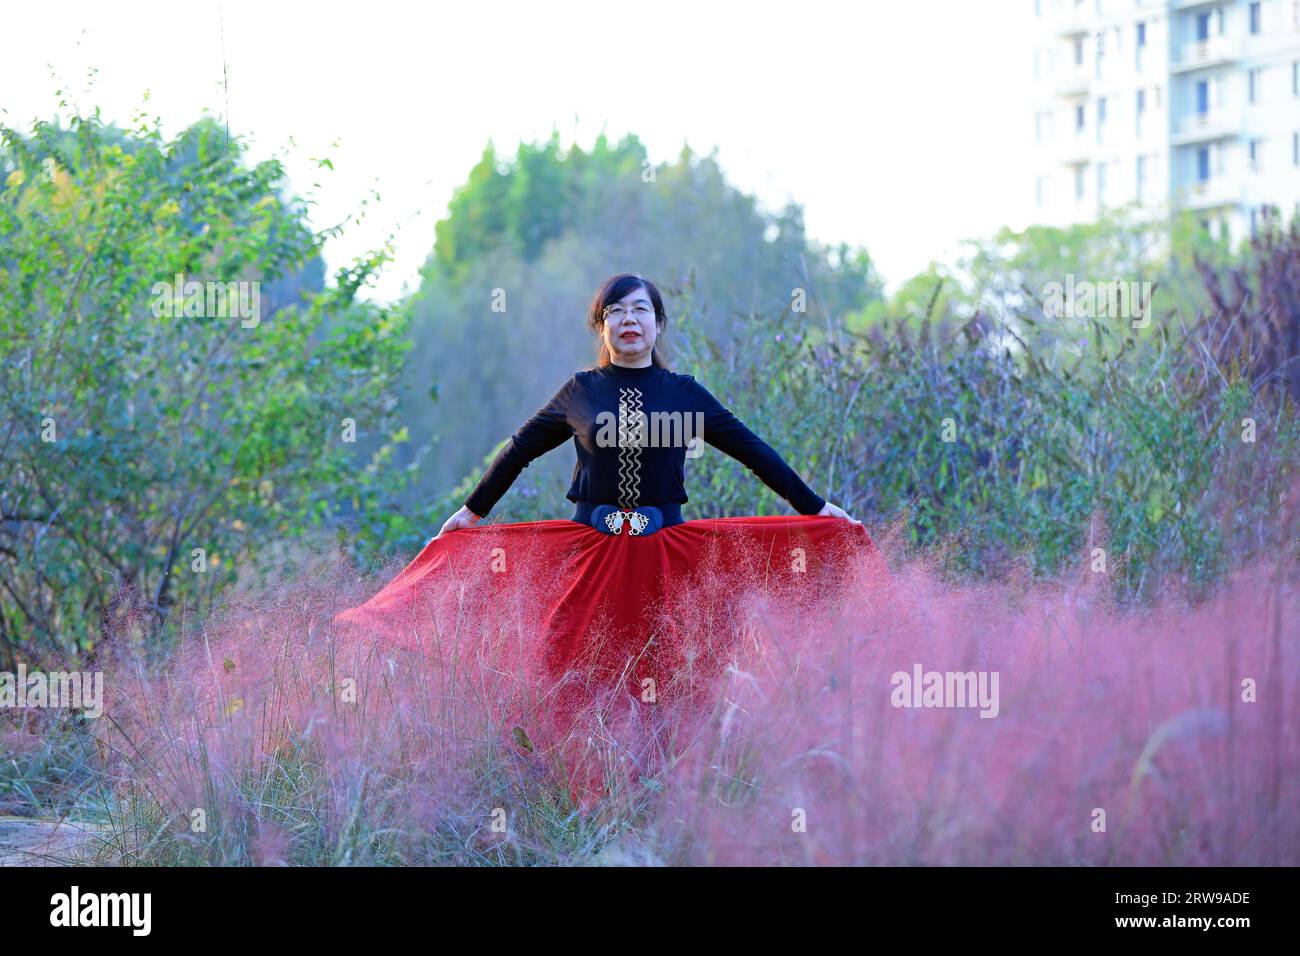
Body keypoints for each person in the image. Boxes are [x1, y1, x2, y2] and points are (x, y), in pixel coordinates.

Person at [336, 272, 883, 810]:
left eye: (641, 310)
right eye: (616, 312)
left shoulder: (684, 394)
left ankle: (665, 795)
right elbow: (519, 449)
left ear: (659, 323)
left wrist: (814, 507)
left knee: (668, 670)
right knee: (565, 664)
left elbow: (753, 451)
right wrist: (471, 511)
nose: (629, 321)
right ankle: (568, 792)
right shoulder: (581, 391)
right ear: (601, 326)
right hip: (591, 555)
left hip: (665, 557)